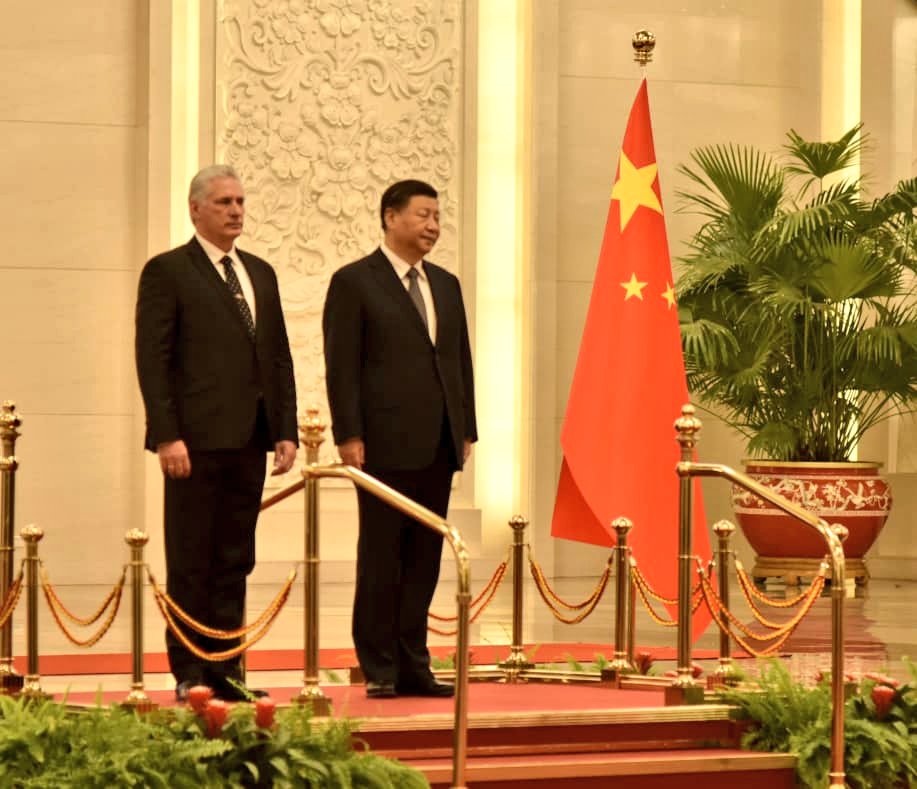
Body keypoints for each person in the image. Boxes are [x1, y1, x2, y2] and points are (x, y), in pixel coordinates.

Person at [135, 164, 298, 702]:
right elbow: (153, 360)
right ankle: (189, 672)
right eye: (225, 202)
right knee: (191, 560)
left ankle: (229, 674)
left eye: (240, 202)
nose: (236, 211)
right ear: (195, 209)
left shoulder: (260, 273)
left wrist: (285, 429)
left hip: (249, 440)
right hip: (193, 443)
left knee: (234, 560)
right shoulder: (168, 271)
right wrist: (166, 435)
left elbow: (277, 357)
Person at [322, 179, 477, 698]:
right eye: (422, 215)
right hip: (382, 444)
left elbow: (458, 361)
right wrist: (349, 433)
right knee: (382, 554)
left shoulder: (446, 285)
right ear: (391, 217)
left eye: (437, 217)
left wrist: (466, 427)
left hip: (438, 442)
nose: (433, 226)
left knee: (425, 558)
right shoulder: (354, 282)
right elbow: (342, 365)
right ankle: (380, 665)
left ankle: (415, 663)